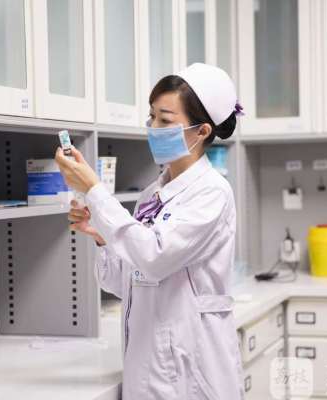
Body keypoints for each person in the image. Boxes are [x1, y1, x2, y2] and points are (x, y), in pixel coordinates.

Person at [55, 63, 244, 399]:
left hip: (192, 368)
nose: (153, 128)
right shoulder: (151, 196)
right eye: (152, 116)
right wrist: (101, 236)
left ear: (201, 131)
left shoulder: (212, 192)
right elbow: (123, 282)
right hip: (149, 362)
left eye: (165, 120)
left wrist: (96, 191)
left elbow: (154, 257)